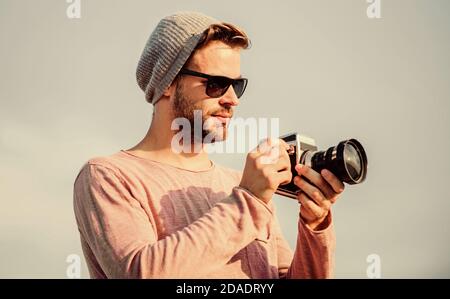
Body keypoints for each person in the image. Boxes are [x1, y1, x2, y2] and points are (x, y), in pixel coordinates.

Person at [73, 11, 345, 279]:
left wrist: (315, 226)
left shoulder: (241, 185)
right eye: (216, 84)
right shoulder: (109, 176)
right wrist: (247, 201)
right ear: (168, 83)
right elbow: (142, 274)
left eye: (236, 86)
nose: (232, 100)